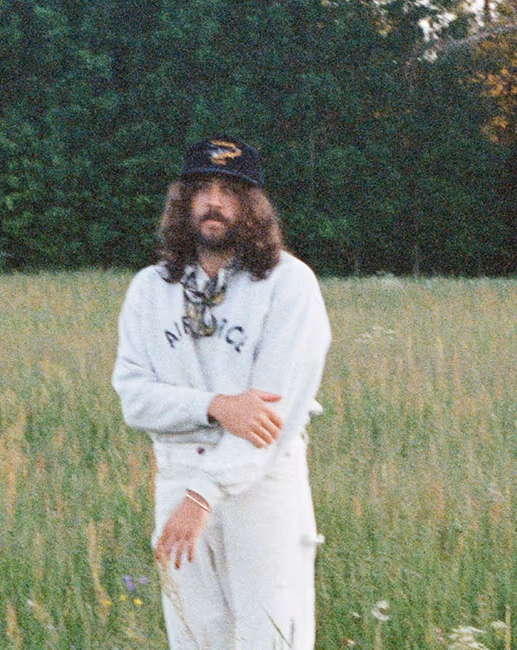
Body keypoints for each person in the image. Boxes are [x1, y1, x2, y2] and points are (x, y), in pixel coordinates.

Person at [112, 136, 332, 649]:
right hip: (176, 472)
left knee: (271, 636)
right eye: (202, 189)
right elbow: (134, 398)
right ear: (183, 202)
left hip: (260, 486)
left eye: (230, 191)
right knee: (193, 638)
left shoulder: (289, 285)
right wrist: (213, 406)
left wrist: (202, 494)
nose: (214, 202)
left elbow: (271, 417)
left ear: (253, 206)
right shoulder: (150, 289)